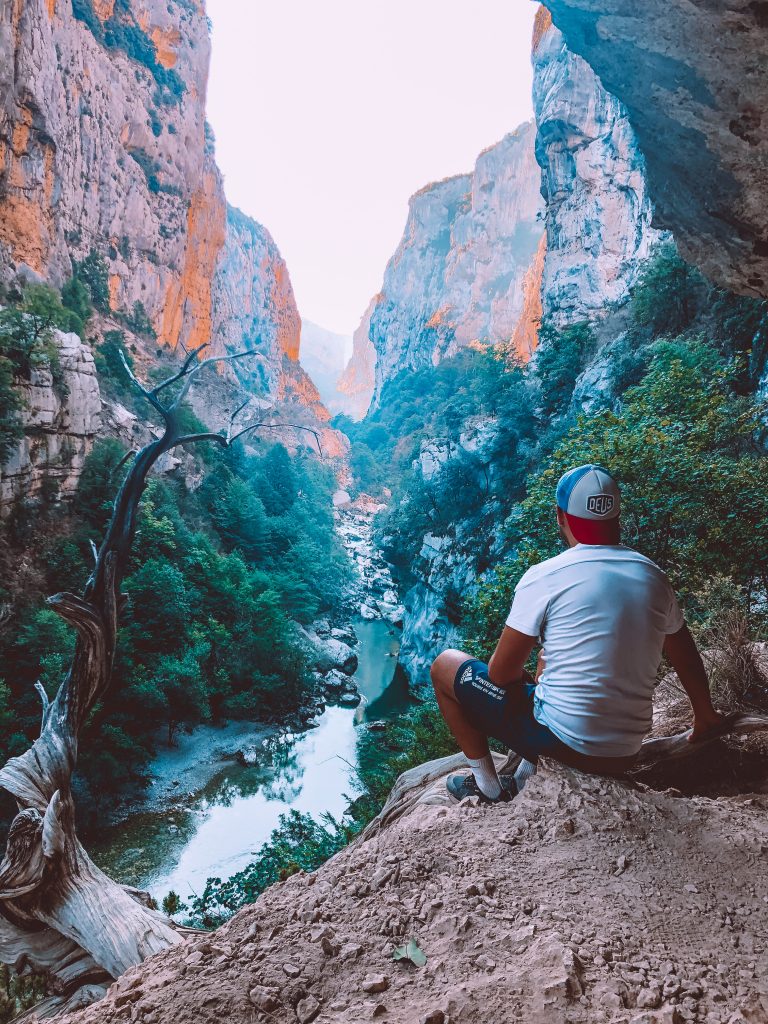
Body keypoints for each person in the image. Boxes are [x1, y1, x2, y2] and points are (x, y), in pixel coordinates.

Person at [430, 463, 724, 803]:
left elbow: (499, 675)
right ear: (616, 515)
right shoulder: (653, 576)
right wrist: (705, 716)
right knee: (546, 665)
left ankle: (488, 788)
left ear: (561, 516)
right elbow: (684, 653)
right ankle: (525, 776)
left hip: (563, 744)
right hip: (624, 751)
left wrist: (531, 677)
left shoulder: (546, 576)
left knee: (445, 665)